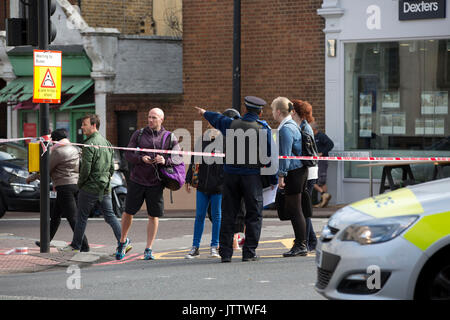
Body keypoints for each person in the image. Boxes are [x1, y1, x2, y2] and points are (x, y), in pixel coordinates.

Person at [195, 96, 277, 262]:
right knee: (254, 214)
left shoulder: (231, 124)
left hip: (230, 176)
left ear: (245, 109)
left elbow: (218, 119)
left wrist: (205, 113)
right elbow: (271, 156)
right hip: (252, 177)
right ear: (260, 112)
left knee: (228, 214)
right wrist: (274, 179)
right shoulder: (263, 129)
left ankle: (225, 253)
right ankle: (249, 252)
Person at [117, 108, 182, 260]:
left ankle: (149, 248)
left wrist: (165, 161)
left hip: (156, 182)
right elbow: (128, 154)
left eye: (154, 117)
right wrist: (141, 158)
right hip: (137, 180)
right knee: (128, 212)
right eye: (149, 117)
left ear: (161, 120)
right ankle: (122, 242)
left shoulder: (169, 137)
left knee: (153, 216)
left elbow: (178, 158)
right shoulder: (138, 134)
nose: (150, 120)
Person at [61, 114, 125, 253]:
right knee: (110, 216)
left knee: (81, 217)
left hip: (90, 187)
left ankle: (76, 245)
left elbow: (85, 169)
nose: (82, 127)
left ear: (94, 125)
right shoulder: (106, 142)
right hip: (105, 186)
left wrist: (80, 184)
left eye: (84, 124)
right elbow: (110, 167)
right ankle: (123, 241)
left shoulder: (89, 144)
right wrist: (107, 179)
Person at [27, 128, 89, 252]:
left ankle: (84, 245)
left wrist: (31, 178)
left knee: (72, 218)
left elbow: (46, 169)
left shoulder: (58, 152)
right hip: (75, 184)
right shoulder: (75, 149)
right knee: (56, 216)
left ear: (55, 140)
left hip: (64, 186)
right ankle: (46, 240)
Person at [271, 97, 308, 257]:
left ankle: (301, 244)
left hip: (293, 172)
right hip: (299, 171)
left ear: (278, 111)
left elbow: (284, 155)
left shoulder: (286, 128)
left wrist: (281, 176)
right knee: (296, 209)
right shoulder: (292, 125)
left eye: (272, 110)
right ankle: (300, 243)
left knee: (295, 209)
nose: (272, 113)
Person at [184, 121, 225, 259]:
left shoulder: (224, 141)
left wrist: (224, 180)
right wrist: (188, 178)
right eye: (211, 124)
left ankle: (215, 246)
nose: (213, 127)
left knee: (217, 216)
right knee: (200, 216)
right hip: (202, 185)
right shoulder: (202, 140)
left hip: (218, 186)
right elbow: (194, 159)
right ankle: (195, 247)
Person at [292, 100, 318, 252]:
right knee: (304, 208)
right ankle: (312, 240)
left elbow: (307, 152)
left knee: (303, 208)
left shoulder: (304, 127)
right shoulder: (303, 126)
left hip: (308, 172)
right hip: (309, 171)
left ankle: (306, 241)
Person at [310, 122, 334, 208]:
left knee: (321, 180)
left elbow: (331, 144)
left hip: (322, 161)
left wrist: (322, 153)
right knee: (317, 180)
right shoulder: (312, 137)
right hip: (315, 161)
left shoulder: (321, 136)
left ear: (313, 129)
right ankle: (323, 199)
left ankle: (324, 197)